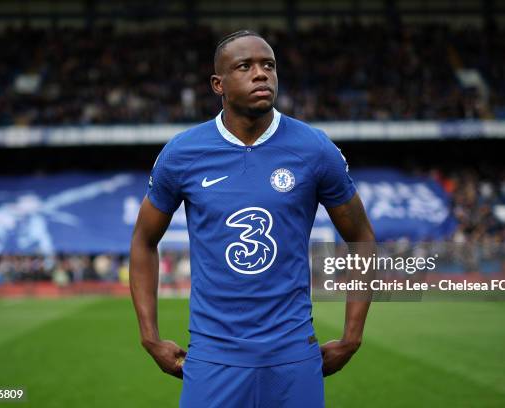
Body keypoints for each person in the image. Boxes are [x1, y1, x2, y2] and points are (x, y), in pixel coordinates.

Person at [129, 30, 374, 407]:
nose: (261, 74)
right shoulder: (183, 153)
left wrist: (352, 335)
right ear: (218, 84)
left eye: (269, 66)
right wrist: (150, 335)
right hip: (212, 359)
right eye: (245, 67)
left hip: (293, 356)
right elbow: (144, 241)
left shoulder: (313, 148)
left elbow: (361, 237)